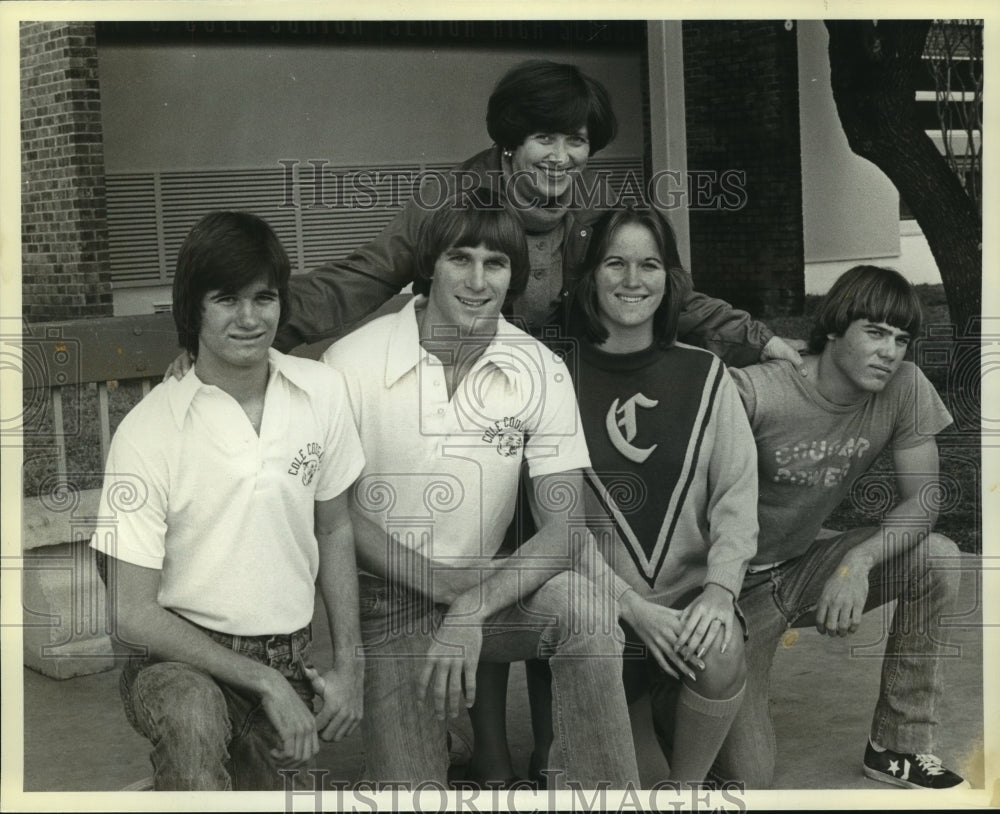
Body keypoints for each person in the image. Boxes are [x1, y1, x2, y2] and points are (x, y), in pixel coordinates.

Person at [320, 191, 641, 790]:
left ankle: (602, 795)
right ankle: (429, 741)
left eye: (495, 263)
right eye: (459, 259)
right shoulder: (350, 365)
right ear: (430, 266)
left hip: (482, 590)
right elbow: (334, 519)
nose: (477, 280)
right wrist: (441, 585)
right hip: (387, 603)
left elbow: (565, 529)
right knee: (412, 795)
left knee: (588, 611)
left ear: (514, 275)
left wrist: (470, 603)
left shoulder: (539, 366)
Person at [470, 206, 757, 786]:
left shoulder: (705, 374)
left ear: (669, 279)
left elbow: (736, 497)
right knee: (618, 785)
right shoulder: (550, 376)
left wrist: (721, 592)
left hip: (684, 608)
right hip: (598, 615)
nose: (633, 280)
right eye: (615, 263)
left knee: (748, 757)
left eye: (649, 264)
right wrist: (632, 608)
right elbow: (557, 529)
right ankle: (617, 733)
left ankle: (687, 790)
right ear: (587, 277)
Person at [272, 58, 803, 368]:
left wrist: (760, 339)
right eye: (542, 138)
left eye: (575, 140)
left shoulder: (601, 207)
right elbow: (365, 275)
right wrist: (259, 326)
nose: (560, 156)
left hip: (567, 369)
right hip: (468, 365)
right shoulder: (452, 199)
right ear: (510, 142)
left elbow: (659, 288)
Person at [91, 211, 366, 790]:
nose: (249, 318)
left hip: (288, 657)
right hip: (175, 664)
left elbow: (335, 529)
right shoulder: (149, 430)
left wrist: (350, 665)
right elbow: (132, 611)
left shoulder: (322, 393)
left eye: (264, 298)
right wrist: (261, 682)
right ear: (193, 308)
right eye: (226, 300)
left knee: (253, 786)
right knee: (193, 721)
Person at [715, 265, 968, 789]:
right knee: (749, 779)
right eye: (874, 332)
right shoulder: (758, 393)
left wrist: (858, 562)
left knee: (937, 557)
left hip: (802, 566)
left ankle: (898, 748)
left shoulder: (903, 387)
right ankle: (671, 690)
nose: (890, 352)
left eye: (901, 339)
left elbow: (924, 498)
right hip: (727, 588)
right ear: (834, 328)